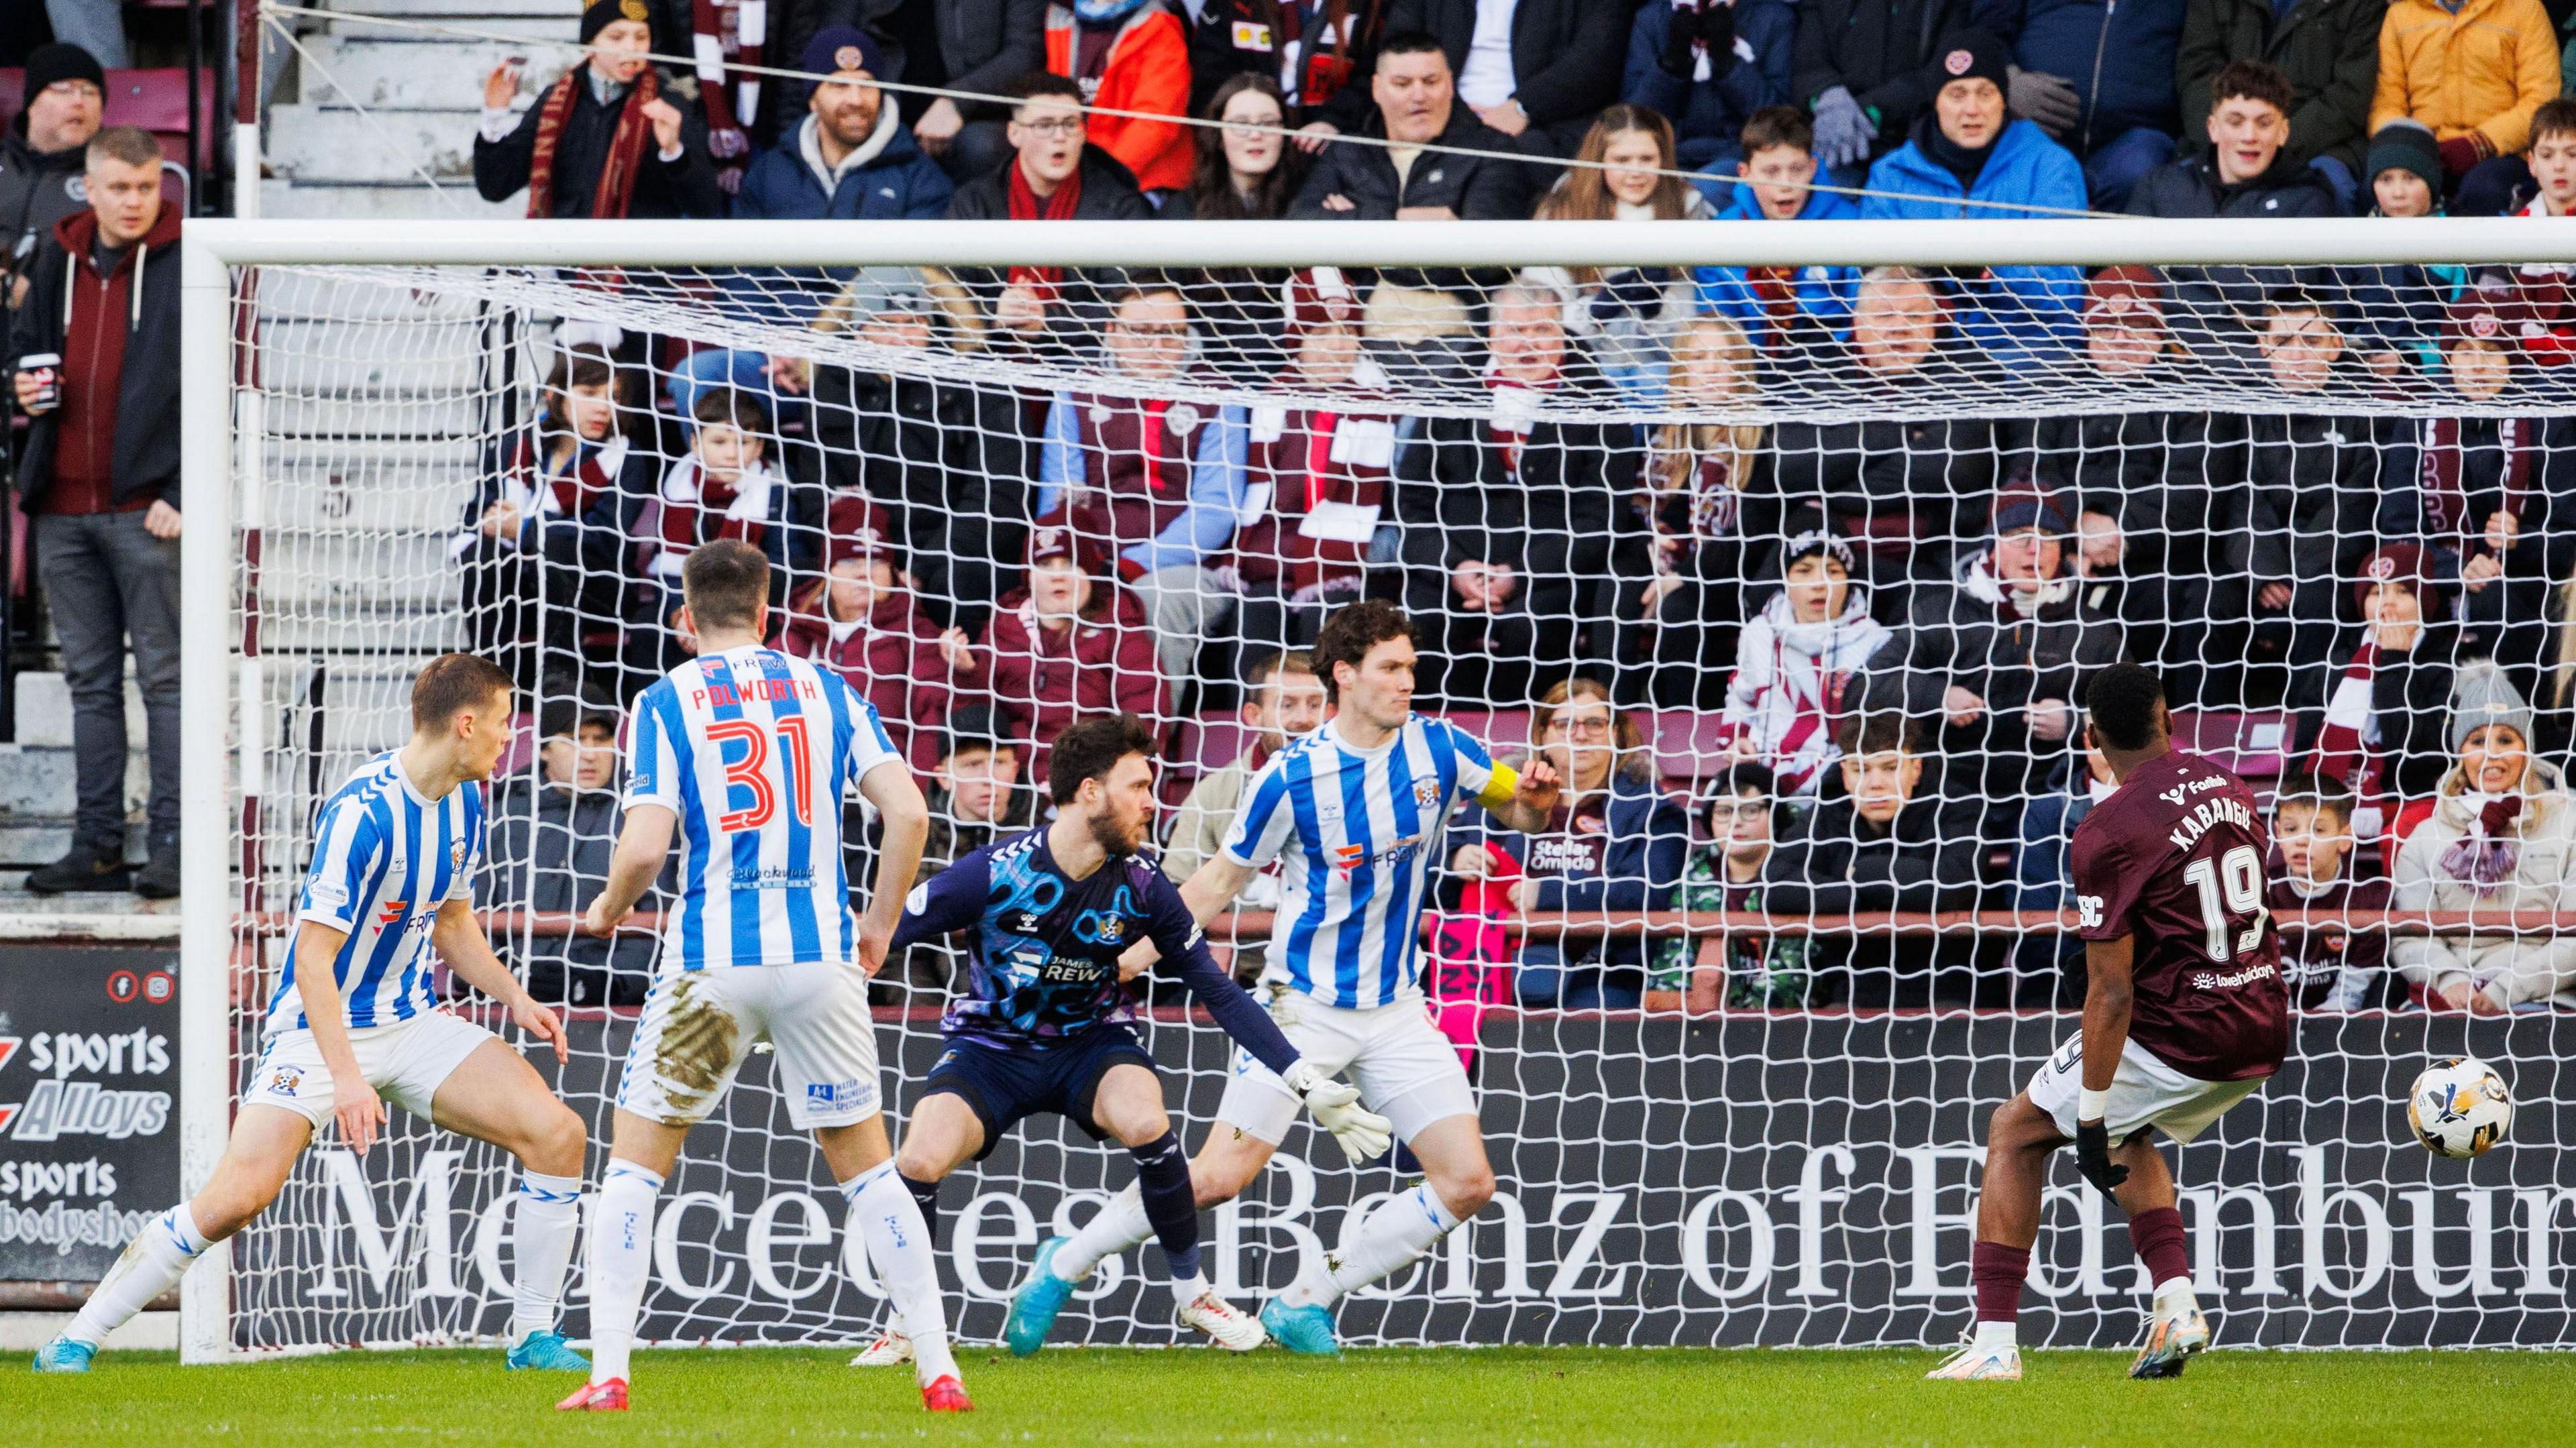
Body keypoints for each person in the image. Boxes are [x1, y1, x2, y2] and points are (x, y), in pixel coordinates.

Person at [1028, 600, 1562, 1355]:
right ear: (1345, 674)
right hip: (1301, 1009)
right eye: (1391, 667)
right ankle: (1068, 1258)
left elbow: (1526, 809)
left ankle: (1306, 1299)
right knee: (1217, 1176)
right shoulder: (1290, 775)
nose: (1408, 680)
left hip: (1398, 1008)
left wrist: (1539, 798)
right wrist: (1122, 961)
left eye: (1411, 666)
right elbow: (1214, 884)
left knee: (1469, 1182)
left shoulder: (1444, 746)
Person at [33, 656, 592, 1376]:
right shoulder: (362, 811)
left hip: (412, 1021)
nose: (509, 735)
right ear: (466, 723)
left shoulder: (466, 799)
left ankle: (532, 1337)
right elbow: (311, 960)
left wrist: (515, 996)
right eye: (505, 718)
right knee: (237, 1199)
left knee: (558, 1134)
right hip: (319, 1029)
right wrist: (349, 1076)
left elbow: (453, 924)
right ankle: (74, 1339)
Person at [564, 541, 957, 1414]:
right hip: (822, 959)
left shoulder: (664, 700)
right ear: (769, 611)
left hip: (714, 966)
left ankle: (610, 1372)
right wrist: (882, 922)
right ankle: (939, 1368)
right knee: (870, 1171)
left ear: (686, 618)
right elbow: (911, 809)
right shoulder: (827, 688)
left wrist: (606, 908)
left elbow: (643, 847)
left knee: (633, 1168)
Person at [876, 714, 1391, 1359]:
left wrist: (1304, 1079)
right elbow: (878, 936)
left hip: (1093, 1042)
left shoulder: (1145, 887)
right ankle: (910, 1325)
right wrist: (811, 1003)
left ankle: (1194, 1293)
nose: (1153, 800)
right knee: (917, 1162)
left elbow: (1219, 989)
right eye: (1139, 786)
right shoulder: (990, 873)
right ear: (1090, 791)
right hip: (992, 1047)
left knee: (1148, 1120)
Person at [1931, 662, 2286, 1383]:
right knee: (2130, 1129)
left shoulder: (2105, 831)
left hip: (2182, 1029)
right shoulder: (2231, 783)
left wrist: (2086, 1116)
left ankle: (1995, 1344)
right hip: (2264, 1016)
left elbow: (2111, 995)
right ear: (2168, 717)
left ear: (2090, 736)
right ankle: (2176, 1301)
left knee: (2015, 1131)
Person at [7, 125, 184, 899]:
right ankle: (98, 841)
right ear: (91, 184)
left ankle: (175, 843)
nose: (135, 201)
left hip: (150, 510)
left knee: (166, 683)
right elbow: (23, 355)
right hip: (62, 508)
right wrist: (17, 388)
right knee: (89, 685)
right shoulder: (54, 255)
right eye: (120, 186)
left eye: (147, 186)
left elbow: (227, 379)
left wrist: (186, 490)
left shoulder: (190, 261)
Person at [683, 29, 955, 422]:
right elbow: (738, 270)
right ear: (813, 96)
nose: (856, 100)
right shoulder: (772, 170)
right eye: (839, 85)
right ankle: (741, 485)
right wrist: (772, 341)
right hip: (774, 360)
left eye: (867, 86)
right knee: (697, 376)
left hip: (868, 366)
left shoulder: (920, 178)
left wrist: (820, 345)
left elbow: (909, 284)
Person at [1394, 279, 1644, 706]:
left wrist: (1518, 575)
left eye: (1542, 330)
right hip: (1451, 571)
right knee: (1419, 624)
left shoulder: (1602, 405)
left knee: (1531, 627)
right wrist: (1456, 568)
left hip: (1549, 576)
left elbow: (1601, 520)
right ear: (1493, 335)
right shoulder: (1448, 396)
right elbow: (1414, 505)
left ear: (1563, 332)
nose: (1528, 344)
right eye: (1515, 330)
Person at [1860, 492, 2125, 839]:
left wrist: (2075, 721)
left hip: (2056, 797)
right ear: (1991, 546)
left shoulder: (2093, 631)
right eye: (2019, 537)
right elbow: (1865, 688)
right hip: (1947, 797)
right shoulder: (1939, 614)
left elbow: (2137, 715)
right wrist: (1939, 695)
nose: (2036, 550)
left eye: (2048, 537)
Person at [2012, 268, 2221, 706]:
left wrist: (2119, 529)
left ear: (2161, 333)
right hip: (2064, 557)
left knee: (2178, 603)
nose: (2121, 339)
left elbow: (2194, 491)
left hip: (2158, 562)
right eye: (2107, 328)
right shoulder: (2054, 391)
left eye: (2136, 327)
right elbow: (2028, 478)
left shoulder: (2194, 395)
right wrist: (2075, 530)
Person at [1036, 281, 1250, 688]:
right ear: (1111, 333)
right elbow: (1058, 500)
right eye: (1141, 332)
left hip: (1187, 567)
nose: (1157, 346)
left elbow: (1215, 510)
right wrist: (1087, 565)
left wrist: (1136, 563)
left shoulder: (1218, 396)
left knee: (1154, 601)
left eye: (1171, 333)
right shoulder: (1075, 392)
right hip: (1091, 563)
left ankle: (1148, 741)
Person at [804, 274, 1030, 635]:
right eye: (885, 324)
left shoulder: (979, 380)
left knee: (961, 582)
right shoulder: (830, 386)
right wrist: (872, 564)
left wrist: (922, 569)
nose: (901, 338)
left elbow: (997, 500)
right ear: (858, 330)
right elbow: (818, 494)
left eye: (914, 323)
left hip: (952, 556)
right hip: (862, 549)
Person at [1769, 267, 1999, 604]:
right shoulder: (1813, 372)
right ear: (1858, 325)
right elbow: (1790, 466)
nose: (1898, 328)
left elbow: (1954, 467)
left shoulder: (1972, 370)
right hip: (1822, 553)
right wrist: (1902, 432)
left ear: (1936, 323)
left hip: (1934, 556)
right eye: (1884, 315)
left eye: (1915, 316)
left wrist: (1831, 489)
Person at [1457, 678, 1690, 1007]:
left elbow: (1647, 893)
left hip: (1602, 973)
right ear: (1542, 734)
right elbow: (1433, 860)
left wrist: (1548, 894)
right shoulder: (1504, 798)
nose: (1580, 735)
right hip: (1500, 963)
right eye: (1565, 723)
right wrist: (1456, 857)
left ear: (1616, 733)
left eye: (1594, 723)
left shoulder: (1654, 811)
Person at [1859, 32, 2087, 365]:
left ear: (2004, 100)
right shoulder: (1891, 174)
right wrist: (1929, 290)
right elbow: (1862, 285)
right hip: (1924, 353)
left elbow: (2065, 289)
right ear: (1935, 101)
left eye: (1986, 93)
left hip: (2025, 354)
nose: (1972, 110)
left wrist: (1988, 271)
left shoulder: (2050, 165)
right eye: (1957, 94)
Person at [455, 347, 652, 694]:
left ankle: (560, 674)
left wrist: (526, 529)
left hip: (595, 589)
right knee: (482, 554)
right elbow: (479, 515)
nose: (603, 407)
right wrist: (500, 525)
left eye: (614, 397)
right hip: (522, 588)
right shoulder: (516, 446)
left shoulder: (627, 456)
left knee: (560, 539)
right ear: (555, 394)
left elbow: (605, 539)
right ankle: (488, 674)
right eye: (590, 394)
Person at [1759, 711, 1985, 1005]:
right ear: (1844, 775)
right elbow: (1775, 883)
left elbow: (1952, 885)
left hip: (1951, 993)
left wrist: (1863, 873)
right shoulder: (1827, 811)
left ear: (1916, 769)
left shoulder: (1957, 807)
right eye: (1860, 769)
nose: (1875, 783)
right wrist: (1858, 894)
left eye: (1890, 767)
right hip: (1850, 994)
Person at [2387, 663, 2576, 1013]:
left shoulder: (2569, 822)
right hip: (2446, 1002)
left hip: (2543, 1001)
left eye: (2506, 740)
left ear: (2527, 749)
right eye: (2477, 741)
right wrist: (2449, 980)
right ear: (2460, 752)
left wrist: (2506, 989)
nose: (2492, 754)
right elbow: (2410, 935)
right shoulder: (2425, 835)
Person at [1229, 267, 1397, 655]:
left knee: (1327, 621)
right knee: (1255, 617)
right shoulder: (1275, 398)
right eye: (1322, 333)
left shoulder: (1384, 402)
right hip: (1273, 550)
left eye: (1348, 333)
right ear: (1296, 340)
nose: (1338, 346)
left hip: (1352, 558)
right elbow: (1259, 496)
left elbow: (1396, 508)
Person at [2220, 290, 2382, 688]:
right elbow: (2244, 498)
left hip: (2329, 569)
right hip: (2258, 566)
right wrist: (2265, 574)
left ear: (2335, 346)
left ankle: (2307, 737)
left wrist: (2297, 576)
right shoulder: (2246, 410)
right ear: (2263, 347)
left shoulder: (2366, 411)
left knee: (2318, 602)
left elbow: (2355, 506)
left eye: (2311, 341)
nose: (2297, 355)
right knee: (2210, 601)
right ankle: (2202, 739)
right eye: (2283, 342)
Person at [2127, 60, 2341, 344]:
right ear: (2213, 128)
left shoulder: (2310, 199)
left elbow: (2274, 295)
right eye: (2236, 122)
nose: (2249, 137)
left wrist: (2175, 261)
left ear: (2283, 132)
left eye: (2264, 123)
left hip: (2254, 365)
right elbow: (2133, 277)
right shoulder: (2159, 184)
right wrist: (2226, 305)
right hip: (2162, 359)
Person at [1627, 314, 1779, 704]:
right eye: (1699, 358)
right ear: (1681, 369)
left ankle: (1686, 729)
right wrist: (1654, 568)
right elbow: (1637, 519)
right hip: (1661, 571)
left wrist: (1683, 578)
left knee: (1680, 609)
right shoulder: (1659, 440)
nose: (1711, 369)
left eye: (1724, 358)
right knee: (1616, 593)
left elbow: (1753, 535)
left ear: (1741, 370)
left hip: (1729, 581)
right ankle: (1619, 716)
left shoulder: (1763, 442)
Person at [943, 71, 1153, 350]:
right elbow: (945, 291)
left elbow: (1134, 306)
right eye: (1044, 125)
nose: (1060, 137)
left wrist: (1048, 321)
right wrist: (995, 311)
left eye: (1070, 124)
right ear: (1014, 133)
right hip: (989, 364)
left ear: (1084, 132)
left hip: (1088, 364)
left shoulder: (1120, 206)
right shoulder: (974, 202)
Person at [488, 687, 667, 1009]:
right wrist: (506, 979)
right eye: (574, 739)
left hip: (613, 1008)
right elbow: (474, 911)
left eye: (601, 739)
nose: (590, 754)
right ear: (543, 750)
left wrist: (609, 984)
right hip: (508, 1001)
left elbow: (659, 916)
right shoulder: (502, 815)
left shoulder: (644, 812)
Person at [625, 389, 819, 682]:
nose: (732, 453)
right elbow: (669, 570)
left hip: (754, 605)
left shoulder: (776, 489)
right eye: (719, 441)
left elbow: (787, 565)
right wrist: (682, 615)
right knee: (648, 626)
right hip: (691, 602)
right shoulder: (677, 487)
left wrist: (734, 610)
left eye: (744, 442)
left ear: (760, 446)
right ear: (695, 443)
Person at [472, 0, 726, 221]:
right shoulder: (555, 102)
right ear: (590, 46)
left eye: (641, 37)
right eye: (616, 37)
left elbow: (705, 207)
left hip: (641, 269)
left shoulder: (669, 104)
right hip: (565, 264)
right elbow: (495, 187)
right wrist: (495, 114)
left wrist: (674, 152)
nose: (631, 48)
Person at [1529, 105, 1717, 399]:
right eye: (1622, 160)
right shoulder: (1563, 207)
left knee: (1652, 384)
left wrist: (1656, 309)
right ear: (1599, 161)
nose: (1635, 172)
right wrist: (1597, 309)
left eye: (1647, 159)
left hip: (1661, 366)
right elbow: (1541, 307)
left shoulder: (1687, 207)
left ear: (1663, 159)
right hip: (1583, 364)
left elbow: (1694, 320)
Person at [2288, 543, 2458, 846]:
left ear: (2426, 602)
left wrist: (2394, 664)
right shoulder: (2334, 667)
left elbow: (2424, 759)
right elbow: (2303, 764)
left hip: (2414, 805)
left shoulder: (2448, 667)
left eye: (2403, 592)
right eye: (2376, 593)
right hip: (2335, 810)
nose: (2388, 604)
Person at [973, 524, 1167, 779]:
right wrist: (967, 674)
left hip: (1089, 787)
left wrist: (1107, 786)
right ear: (1029, 578)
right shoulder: (1002, 629)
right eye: (1045, 565)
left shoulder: (1119, 630)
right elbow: (977, 722)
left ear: (1090, 575)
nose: (1058, 576)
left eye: (1069, 564)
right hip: (1015, 789)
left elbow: (1144, 720)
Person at [780, 496, 955, 771]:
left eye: (875, 561)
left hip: (881, 791)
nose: (864, 573)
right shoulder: (797, 630)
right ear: (828, 570)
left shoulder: (916, 634)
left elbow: (932, 726)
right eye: (850, 561)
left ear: (892, 572)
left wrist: (904, 804)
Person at [1287, 32, 1542, 219]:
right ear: (1376, 89)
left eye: (1431, 81)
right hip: (1359, 293)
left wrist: (1354, 221)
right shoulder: (1348, 152)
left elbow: (1485, 261)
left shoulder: (1492, 151)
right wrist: (1395, 219)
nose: (1419, 95)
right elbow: (1299, 226)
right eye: (1402, 83)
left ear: (1451, 85)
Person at [1713, 532, 1889, 796]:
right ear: (1786, 579)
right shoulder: (1759, 632)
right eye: (1804, 571)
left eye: (1833, 571)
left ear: (1849, 581)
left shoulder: (1876, 641)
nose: (1819, 583)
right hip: (1765, 779)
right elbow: (1741, 698)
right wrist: (1738, 739)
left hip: (1842, 784)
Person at [1161, 650, 1329, 926]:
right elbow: (1177, 890)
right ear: (1254, 715)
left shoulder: (1356, 783)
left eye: (1314, 705)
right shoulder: (1213, 793)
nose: (1303, 719)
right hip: (1240, 960)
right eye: (1287, 705)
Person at [1159, 75, 1312, 375]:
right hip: (1202, 372)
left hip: (1286, 373)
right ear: (1218, 135)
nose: (1255, 135)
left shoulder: (1307, 203)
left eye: (1268, 123)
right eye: (1241, 123)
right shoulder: (1182, 209)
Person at [2176, 0, 2387, 213]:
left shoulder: (2361, 5)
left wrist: (2273, 143)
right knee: (2178, 188)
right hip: (2226, 142)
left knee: (2334, 187)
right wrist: (2228, 137)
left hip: (2320, 145)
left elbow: (2350, 95)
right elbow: (2197, 75)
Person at [1985, 0, 2190, 210]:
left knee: (2139, 169)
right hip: (2038, 128)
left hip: (2136, 139)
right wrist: (2006, 81)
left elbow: (2200, 56)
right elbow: (1984, 29)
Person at [2366, 0, 2559, 215]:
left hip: (2502, 153)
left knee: (2483, 189)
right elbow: (2385, 103)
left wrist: (2482, 142)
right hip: (2424, 151)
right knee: (2381, 189)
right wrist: (2412, 147)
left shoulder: (2525, 9)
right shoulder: (2400, 15)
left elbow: (2541, 100)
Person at [1690, 107, 1860, 347]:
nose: (1786, 184)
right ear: (1745, 173)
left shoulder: (1852, 226)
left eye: (1797, 170)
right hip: (1747, 367)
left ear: (1812, 168)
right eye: (1771, 172)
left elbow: (1860, 319)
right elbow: (1717, 324)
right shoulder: (1721, 235)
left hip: (1830, 365)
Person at [1648, 763, 1810, 1010]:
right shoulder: (1692, 877)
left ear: (1776, 817)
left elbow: (1795, 976)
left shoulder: (1799, 874)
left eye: (1751, 810)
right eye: (1724, 811)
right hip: (1700, 1027)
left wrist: (1738, 1018)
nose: (1736, 823)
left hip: (1782, 1027)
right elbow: (1671, 968)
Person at [1382, 0, 1629, 156]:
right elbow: (1399, 47)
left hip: (1544, 125)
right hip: (1440, 114)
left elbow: (1596, 60)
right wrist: (1449, 108)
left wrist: (1524, 107)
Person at [1791, 0, 1996, 183]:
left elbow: (1946, 70)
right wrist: (1828, 95)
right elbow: (1808, 60)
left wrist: (1872, 108)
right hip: (1835, 141)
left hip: (1914, 146)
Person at [2269, 771, 2399, 1012]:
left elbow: (2353, 989)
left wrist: (2322, 1025)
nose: (2301, 840)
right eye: (2291, 829)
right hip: (2276, 1018)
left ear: (2345, 838)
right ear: (2278, 833)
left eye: (2318, 830)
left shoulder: (2371, 898)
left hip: (2340, 1023)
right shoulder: (2262, 892)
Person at [1621, 0, 1796, 175]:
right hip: (1665, 157)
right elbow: (1633, 120)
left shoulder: (1774, 18)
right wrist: (1672, 63)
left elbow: (1780, 121)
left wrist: (1726, 61)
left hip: (1743, 160)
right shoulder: (1651, 18)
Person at [1048, 0, 1195, 199]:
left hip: (1141, 182)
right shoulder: (1059, 19)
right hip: (1071, 175)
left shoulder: (1160, 26)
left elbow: (1155, 125)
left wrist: (1098, 176)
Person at [3, 44, 104, 313]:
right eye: (64, 89)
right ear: (31, 104)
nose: (78, 101)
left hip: (60, 327)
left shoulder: (112, 176)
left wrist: (38, 293)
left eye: (90, 91)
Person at [1186, 0, 1389, 133]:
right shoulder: (1228, 5)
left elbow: (1372, 79)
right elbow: (1209, 85)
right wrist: (1250, 125)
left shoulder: (1368, 7)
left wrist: (1332, 122)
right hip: (1248, 145)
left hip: (1334, 152)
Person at [910, 0, 1052, 183]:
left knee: (980, 147)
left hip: (997, 114)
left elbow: (1026, 55)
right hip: (911, 107)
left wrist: (955, 101)